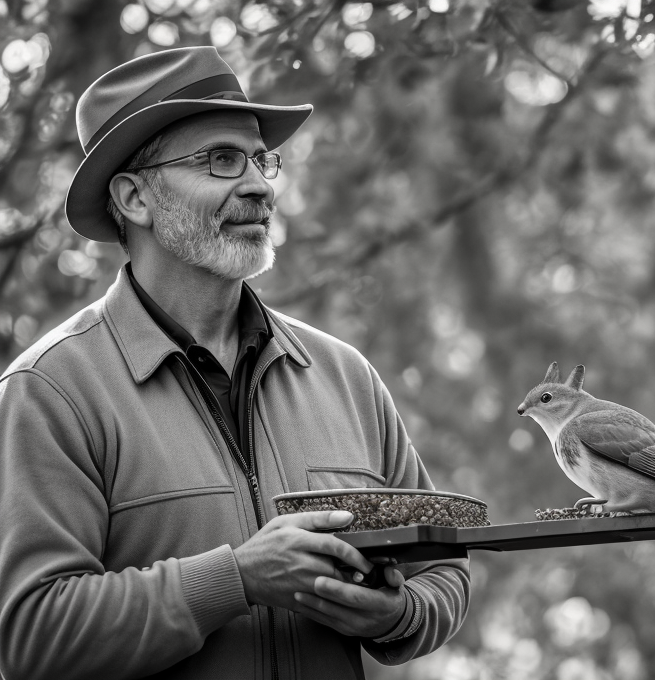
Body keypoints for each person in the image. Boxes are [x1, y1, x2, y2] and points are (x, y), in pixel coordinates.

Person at [0, 46, 470, 680]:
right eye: (221, 160)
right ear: (135, 198)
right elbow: (32, 636)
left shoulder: (345, 375)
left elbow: (444, 566)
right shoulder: (51, 390)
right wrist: (237, 579)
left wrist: (397, 616)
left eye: (261, 159)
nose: (258, 184)